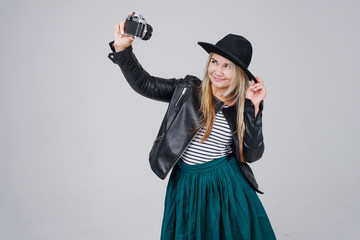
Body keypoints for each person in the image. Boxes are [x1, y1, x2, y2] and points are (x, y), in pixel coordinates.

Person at [108, 20, 276, 240]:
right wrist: (123, 49)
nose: (218, 71)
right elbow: (145, 84)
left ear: (240, 73)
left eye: (227, 66)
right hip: (186, 184)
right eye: (214, 62)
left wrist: (254, 107)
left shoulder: (241, 107)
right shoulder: (188, 91)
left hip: (224, 185)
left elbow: (252, 154)